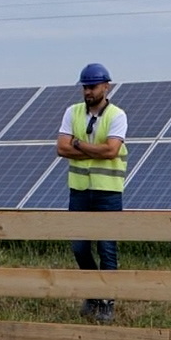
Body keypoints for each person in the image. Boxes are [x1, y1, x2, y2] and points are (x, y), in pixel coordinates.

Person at [57, 62, 128, 323]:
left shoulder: (117, 115)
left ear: (106, 87)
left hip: (108, 192)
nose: (88, 91)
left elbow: (112, 150)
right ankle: (93, 291)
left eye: (93, 86)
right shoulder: (72, 112)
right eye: (85, 87)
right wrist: (89, 147)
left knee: (107, 247)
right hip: (79, 191)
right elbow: (62, 148)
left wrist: (79, 143)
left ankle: (107, 300)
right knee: (79, 246)